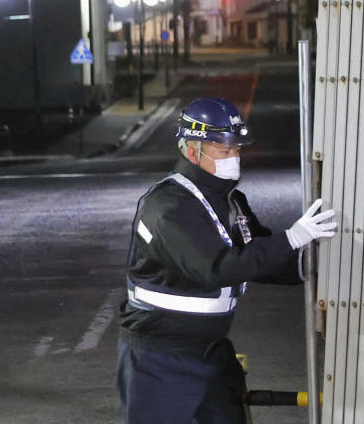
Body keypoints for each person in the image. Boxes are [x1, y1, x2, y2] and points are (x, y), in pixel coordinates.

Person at [117, 97, 337, 424]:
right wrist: (292, 238)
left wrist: (310, 264)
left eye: (237, 149)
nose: (234, 157)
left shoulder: (230, 200)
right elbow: (217, 268)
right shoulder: (168, 207)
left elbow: (257, 252)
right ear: (193, 150)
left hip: (210, 353)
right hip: (160, 361)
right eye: (224, 150)